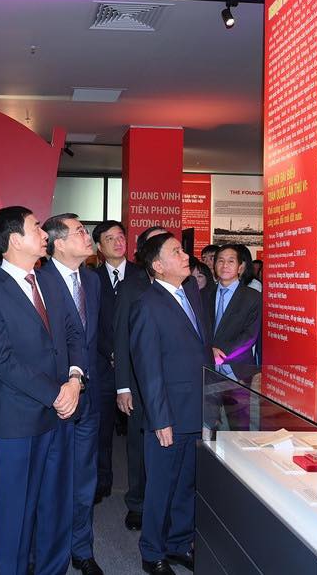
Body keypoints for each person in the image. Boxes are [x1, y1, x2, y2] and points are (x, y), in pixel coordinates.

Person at [0, 206, 86, 575]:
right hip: (20, 420)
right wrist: (56, 393)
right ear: (15, 240)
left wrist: (75, 379)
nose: (44, 233)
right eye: (36, 227)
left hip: (62, 412)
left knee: (56, 504)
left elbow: (74, 334)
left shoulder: (50, 282)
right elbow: (2, 361)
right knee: (16, 511)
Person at [130, 233, 210, 574]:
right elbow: (148, 369)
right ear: (158, 265)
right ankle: (152, 553)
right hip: (169, 415)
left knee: (187, 485)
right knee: (161, 487)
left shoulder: (189, 292)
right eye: (176, 251)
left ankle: (179, 543)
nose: (185, 255)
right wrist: (160, 419)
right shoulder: (147, 304)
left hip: (196, 410)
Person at [40, 214, 104, 575]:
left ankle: (82, 549)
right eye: (80, 231)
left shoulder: (91, 280)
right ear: (59, 243)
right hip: (52, 400)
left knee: (83, 478)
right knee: (49, 481)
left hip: (88, 398)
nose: (87, 235)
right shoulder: (38, 280)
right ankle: (46, 552)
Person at [112, 226, 166, 532]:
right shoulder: (131, 285)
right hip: (138, 381)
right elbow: (121, 336)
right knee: (139, 444)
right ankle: (138, 502)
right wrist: (123, 386)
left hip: (173, 383)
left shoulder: (184, 283)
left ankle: (164, 504)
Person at [89, 220, 134, 506]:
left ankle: (139, 494)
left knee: (138, 435)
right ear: (99, 246)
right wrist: (111, 352)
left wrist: (128, 353)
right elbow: (89, 324)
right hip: (103, 366)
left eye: (121, 237)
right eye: (110, 238)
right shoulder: (90, 279)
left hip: (137, 367)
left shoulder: (143, 276)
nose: (118, 242)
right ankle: (101, 481)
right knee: (101, 430)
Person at [209, 244, 263, 382]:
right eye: (221, 260)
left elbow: (250, 335)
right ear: (215, 265)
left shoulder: (253, 297)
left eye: (231, 261)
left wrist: (221, 354)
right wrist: (209, 351)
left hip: (238, 370)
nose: (225, 265)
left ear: (240, 267)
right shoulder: (204, 294)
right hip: (207, 367)